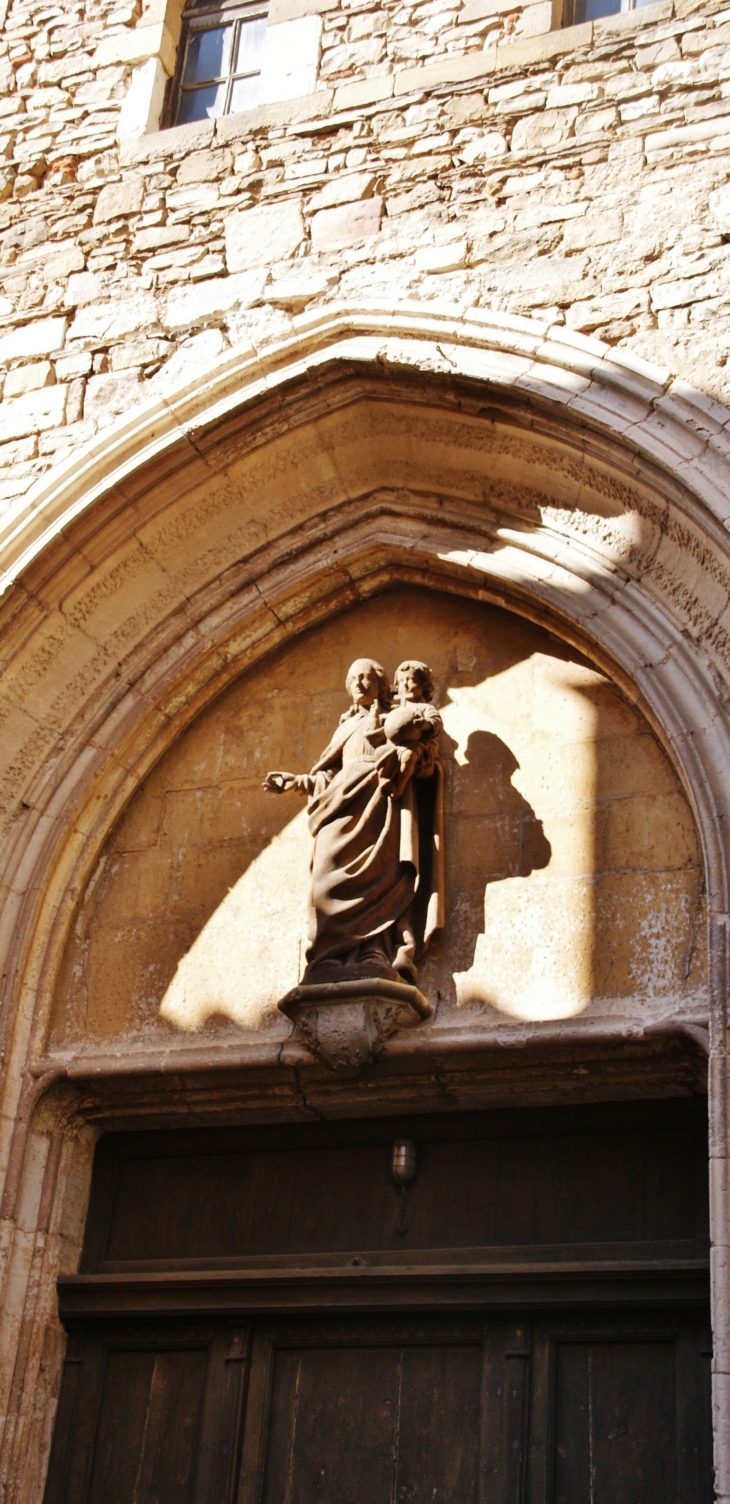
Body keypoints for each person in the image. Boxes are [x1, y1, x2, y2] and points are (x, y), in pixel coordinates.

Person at [263, 657, 444, 988]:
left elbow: (420, 755)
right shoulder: (344, 727)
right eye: (354, 678)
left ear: (380, 683)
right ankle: (328, 956)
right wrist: (293, 782)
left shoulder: (394, 718)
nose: (360, 682)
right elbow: (326, 777)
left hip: (379, 801)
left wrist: (407, 746)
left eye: (367, 677)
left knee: (381, 877)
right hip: (339, 804)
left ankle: (375, 952)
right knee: (325, 880)